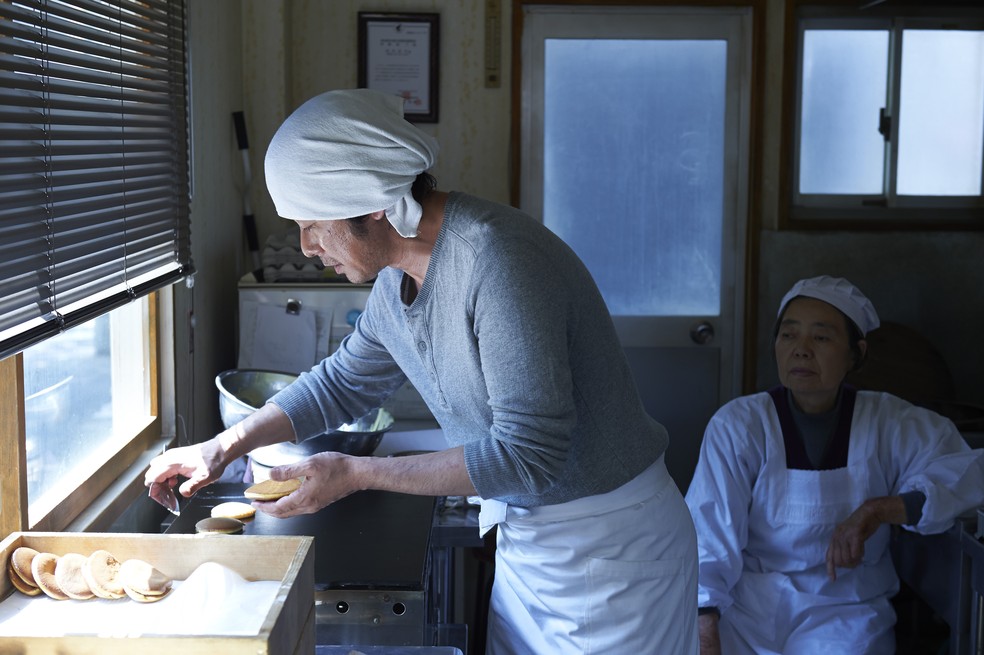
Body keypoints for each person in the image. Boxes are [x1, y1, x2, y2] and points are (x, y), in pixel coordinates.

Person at [145, 89, 698, 654]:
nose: (307, 246)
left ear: (373, 201)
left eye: (314, 223)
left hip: (611, 549)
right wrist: (224, 446)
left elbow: (528, 454)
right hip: (533, 542)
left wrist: (356, 473)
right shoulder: (395, 277)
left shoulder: (497, 263)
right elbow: (341, 382)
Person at [685, 275, 984, 655]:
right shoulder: (740, 425)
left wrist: (881, 509)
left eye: (821, 337)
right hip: (748, 611)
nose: (801, 350)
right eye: (789, 335)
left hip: (847, 612)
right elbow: (708, 537)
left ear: (855, 353)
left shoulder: (889, 423)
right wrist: (706, 629)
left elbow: (969, 473)